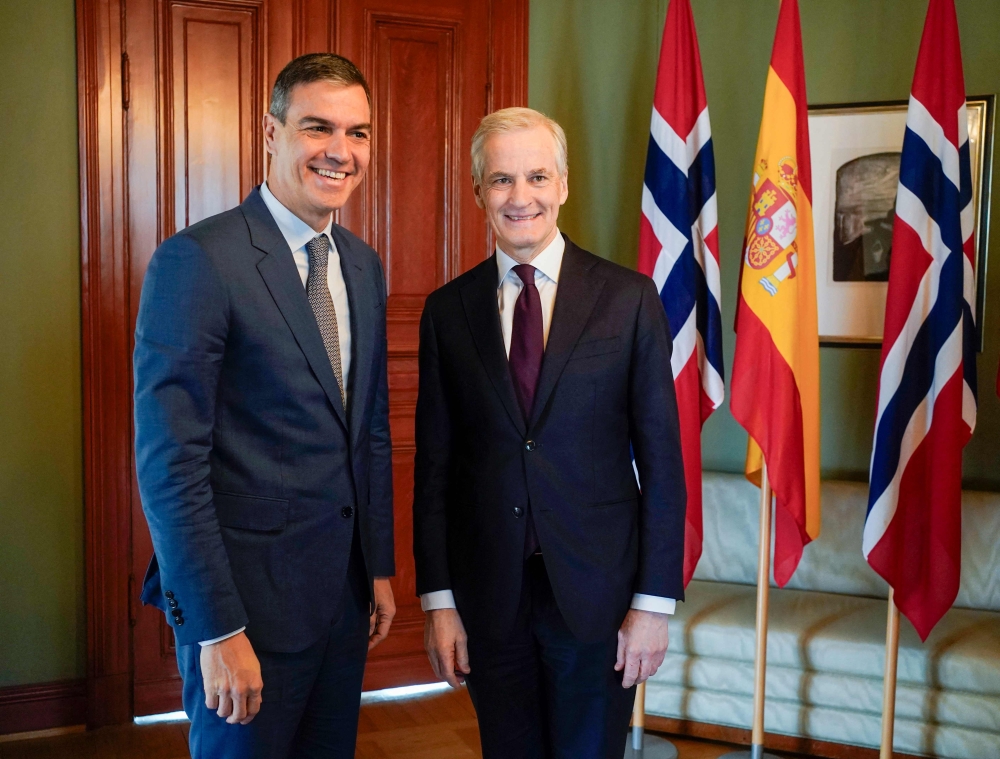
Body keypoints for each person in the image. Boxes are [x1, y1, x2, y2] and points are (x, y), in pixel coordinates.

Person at [134, 53, 395, 759]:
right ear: (271, 132)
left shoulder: (364, 265)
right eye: (318, 127)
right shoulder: (199, 261)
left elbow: (367, 429)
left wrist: (377, 566)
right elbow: (170, 465)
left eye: (358, 132)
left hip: (342, 604)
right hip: (244, 615)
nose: (340, 151)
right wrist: (215, 630)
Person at [413, 107, 687, 759]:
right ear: (478, 190)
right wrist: (439, 600)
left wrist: (653, 603)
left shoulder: (629, 299)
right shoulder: (447, 311)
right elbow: (434, 470)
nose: (521, 196)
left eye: (537, 175)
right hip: (488, 599)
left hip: (598, 599)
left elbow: (664, 463)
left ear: (563, 183)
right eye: (502, 179)